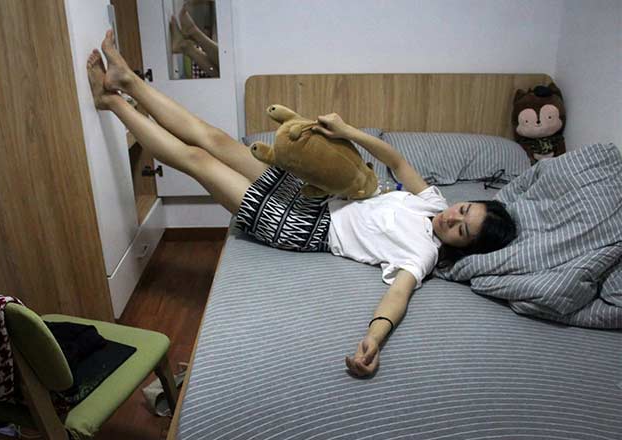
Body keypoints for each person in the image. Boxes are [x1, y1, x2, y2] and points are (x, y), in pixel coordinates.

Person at [87, 30, 517, 378]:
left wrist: (374, 338)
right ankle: (128, 81)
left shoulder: (422, 254)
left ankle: (112, 103)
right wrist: (348, 131)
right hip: (315, 192)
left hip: (303, 227)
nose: (451, 218)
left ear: (462, 246)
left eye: (461, 229)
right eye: (463, 210)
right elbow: (398, 161)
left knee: (198, 161)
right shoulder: (432, 201)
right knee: (215, 138)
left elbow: (398, 297)